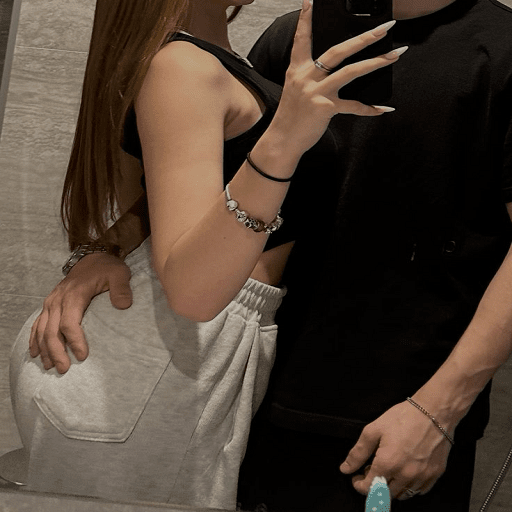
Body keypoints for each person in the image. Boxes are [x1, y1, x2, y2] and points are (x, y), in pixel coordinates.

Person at [18, 0, 512, 510]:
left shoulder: (501, 47)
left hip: (398, 415)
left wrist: (441, 408)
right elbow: (214, 182)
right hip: (239, 384)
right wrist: (106, 246)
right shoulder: (295, 36)